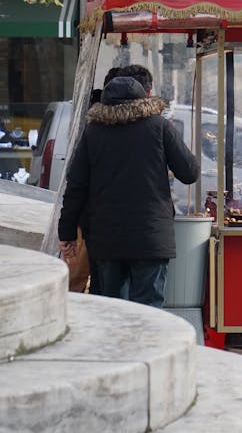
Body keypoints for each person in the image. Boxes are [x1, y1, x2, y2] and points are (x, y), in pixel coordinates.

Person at [58, 70, 199, 307]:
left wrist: (67, 233)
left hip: (107, 239)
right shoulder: (159, 127)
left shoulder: (93, 132)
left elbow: (76, 187)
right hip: (150, 238)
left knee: (114, 312)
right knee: (149, 313)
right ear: (144, 98)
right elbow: (190, 172)